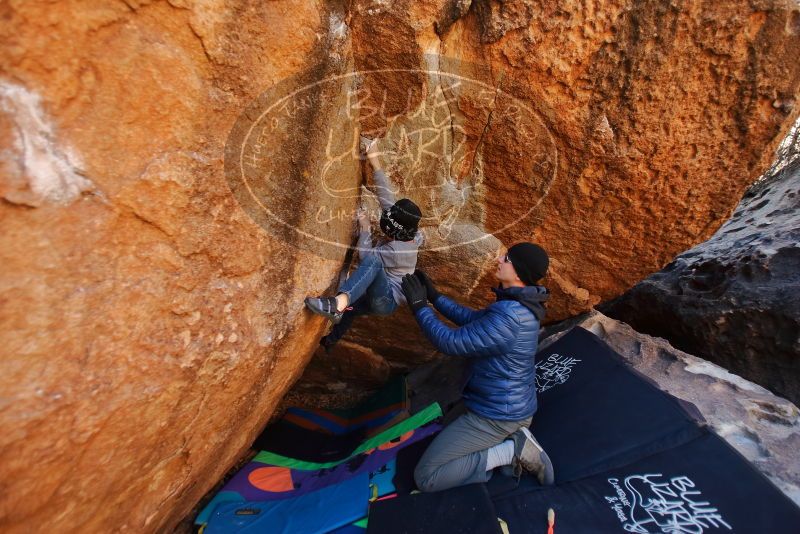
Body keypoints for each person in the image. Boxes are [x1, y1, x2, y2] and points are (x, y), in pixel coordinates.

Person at [400, 243, 554, 492]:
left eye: (506, 258)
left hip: (497, 417)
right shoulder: (518, 306)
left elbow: (450, 342)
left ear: (518, 273)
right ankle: (513, 439)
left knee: (427, 476)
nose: (499, 260)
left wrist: (419, 307)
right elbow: (473, 320)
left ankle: (512, 450)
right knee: (446, 429)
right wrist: (435, 297)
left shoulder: (510, 317)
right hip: (504, 406)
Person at [305, 139, 423, 350]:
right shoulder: (404, 229)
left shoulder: (399, 251)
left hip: (386, 300)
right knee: (354, 308)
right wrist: (375, 161)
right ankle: (330, 341)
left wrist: (366, 229)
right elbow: (385, 195)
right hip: (377, 290)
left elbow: (366, 257)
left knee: (372, 265)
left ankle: (337, 305)